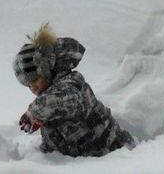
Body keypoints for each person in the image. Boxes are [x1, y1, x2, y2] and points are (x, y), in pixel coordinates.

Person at [13, 24, 136, 157]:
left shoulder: (72, 82)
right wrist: (44, 155)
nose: (33, 88)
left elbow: (68, 99)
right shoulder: (48, 97)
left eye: (35, 80)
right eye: (28, 85)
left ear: (46, 70)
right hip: (88, 161)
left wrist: (35, 112)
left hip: (116, 153)